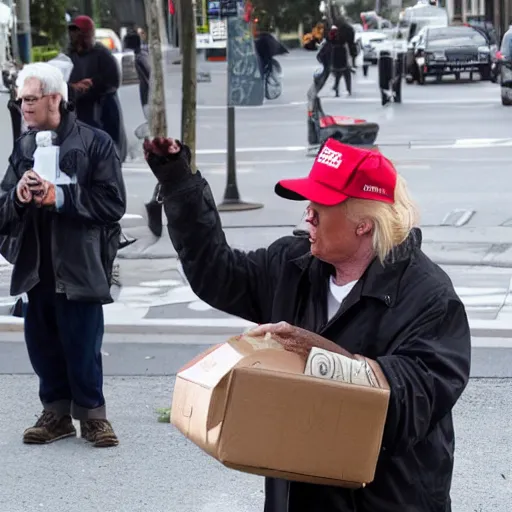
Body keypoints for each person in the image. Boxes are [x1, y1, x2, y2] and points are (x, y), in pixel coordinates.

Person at [144, 136, 471, 511]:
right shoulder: (293, 264)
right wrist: (178, 181)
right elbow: (218, 274)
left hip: (386, 500)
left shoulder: (430, 297)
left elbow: (411, 404)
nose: (308, 215)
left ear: (364, 222)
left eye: (321, 204)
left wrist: (320, 355)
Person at [0, 62, 126, 448]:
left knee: (83, 341)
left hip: (81, 263)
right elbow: (2, 208)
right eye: (21, 100)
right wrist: (19, 197)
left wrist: (63, 197)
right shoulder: (23, 147)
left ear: (55, 98)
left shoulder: (95, 142)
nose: (24, 107)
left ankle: (93, 415)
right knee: (41, 342)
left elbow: (113, 204)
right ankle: (55, 413)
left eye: (31, 99)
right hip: (36, 265)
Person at [67, 15, 127, 162]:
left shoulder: (102, 54)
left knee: (106, 151)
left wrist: (92, 84)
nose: (73, 36)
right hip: (79, 110)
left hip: (102, 109)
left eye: (77, 32)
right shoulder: (69, 55)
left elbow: (113, 80)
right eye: (72, 31)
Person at [330, 19, 358, 97]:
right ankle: (348, 89)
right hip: (343, 51)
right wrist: (353, 57)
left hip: (335, 51)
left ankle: (337, 88)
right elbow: (351, 43)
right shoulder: (349, 29)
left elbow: (330, 40)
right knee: (346, 71)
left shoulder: (334, 29)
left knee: (338, 71)